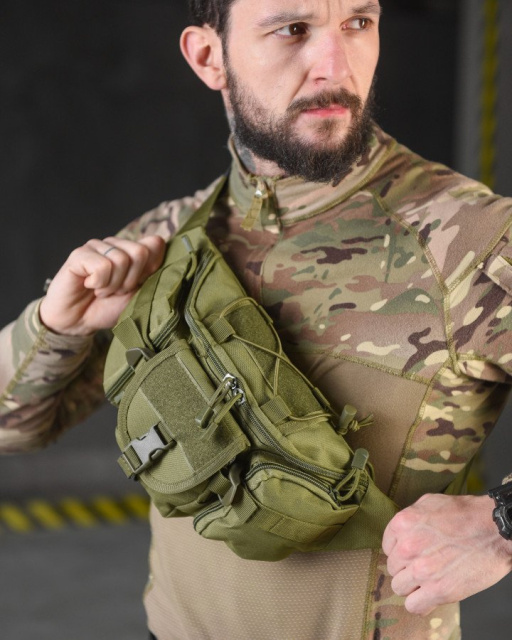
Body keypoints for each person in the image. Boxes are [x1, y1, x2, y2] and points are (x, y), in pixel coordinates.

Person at [1, 0, 511, 638]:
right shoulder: (168, 240)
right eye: (293, 30)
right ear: (208, 57)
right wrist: (56, 327)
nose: (336, 65)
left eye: (358, 23)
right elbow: (13, 429)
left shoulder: (473, 240)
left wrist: (500, 524)